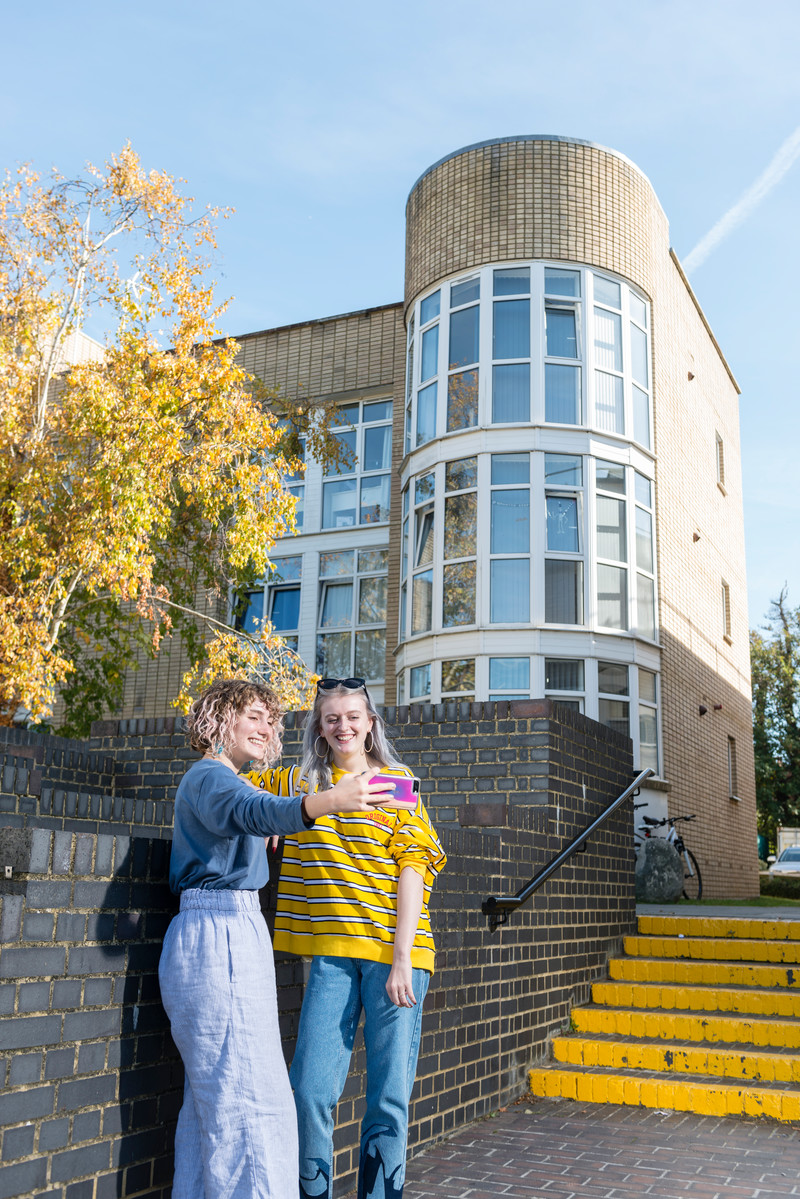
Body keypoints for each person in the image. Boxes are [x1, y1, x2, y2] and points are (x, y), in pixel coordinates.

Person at [159, 678, 394, 1199]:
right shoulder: (210, 778)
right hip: (220, 936)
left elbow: (250, 811)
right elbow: (251, 810)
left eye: (272, 720)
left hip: (218, 932)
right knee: (253, 1102)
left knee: (214, 1105)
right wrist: (328, 799)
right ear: (220, 719)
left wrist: (264, 822)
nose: (267, 729)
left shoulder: (224, 783)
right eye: (255, 716)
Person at [249, 677, 446, 1199]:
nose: (343, 726)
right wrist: (267, 818)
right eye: (332, 718)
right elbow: (241, 788)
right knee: (309, 1090)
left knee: (387, 1099)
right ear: (319, 725)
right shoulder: (297, 784)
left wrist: (402, 959)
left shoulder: (397, 784)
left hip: (395, 955)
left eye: (353, 717)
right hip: (331, 959)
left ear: (370, 723)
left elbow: (414, 867)